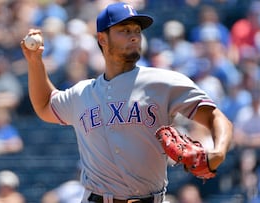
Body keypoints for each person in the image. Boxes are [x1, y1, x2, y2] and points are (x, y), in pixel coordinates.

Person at [21, 2, 233, 202]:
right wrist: (35, 62)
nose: (134, 36)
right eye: (124, 30)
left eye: (137, 31)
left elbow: (215, 116)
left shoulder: (163, 81)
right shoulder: (82, 93)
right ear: (102, 39)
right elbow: (45, 105)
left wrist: (219, 151)